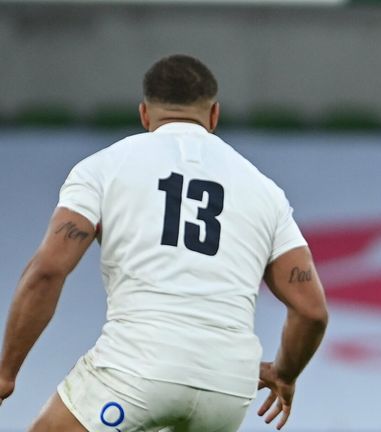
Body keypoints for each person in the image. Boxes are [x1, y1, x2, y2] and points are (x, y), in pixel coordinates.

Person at [0, 54, 328, 431]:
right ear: (214, 115)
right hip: (227, 387)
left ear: (144, 115)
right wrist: (284, 374)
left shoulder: (103, 168)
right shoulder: (265, 191)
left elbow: (47, 271)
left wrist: (6, 373)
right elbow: (312, 310)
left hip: (136, 369)